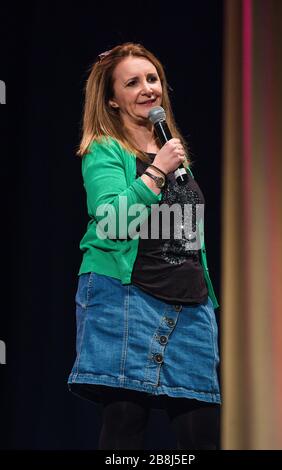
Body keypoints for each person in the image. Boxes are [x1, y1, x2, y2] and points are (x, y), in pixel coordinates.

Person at [67, 42, 221, 450]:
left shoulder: (173, 152)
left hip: (190, 306)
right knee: (125, 423)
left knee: (200, 431)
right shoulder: (105, 150)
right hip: (125, 298)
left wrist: (205, 297)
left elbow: (187, 232)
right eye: (132, 82)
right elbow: (114, 224)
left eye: (152, 79)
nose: (147, 88)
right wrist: (156, 171)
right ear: (112, 100)